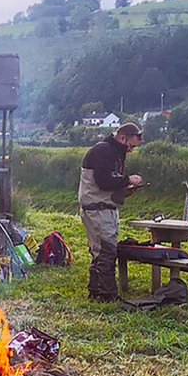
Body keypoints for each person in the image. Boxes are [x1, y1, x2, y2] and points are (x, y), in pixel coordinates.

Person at [79, 123, 144, 301]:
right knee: (106, 252)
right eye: (130, 146)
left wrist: (125, 190)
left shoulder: (113, 153)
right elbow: (103, 181)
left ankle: (96, 292)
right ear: (122, 138)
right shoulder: (103, 151)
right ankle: (107, 295)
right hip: (97, 208)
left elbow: (108, 184)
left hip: (104, 207)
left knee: (101, 252)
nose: (130, 150)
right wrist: (127, 180)